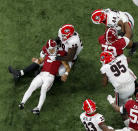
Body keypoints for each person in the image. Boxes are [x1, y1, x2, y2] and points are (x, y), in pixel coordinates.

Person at [8, 24, 83, 81]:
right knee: (43, 55)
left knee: (61, 72)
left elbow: (69, 57)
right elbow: (57, 40)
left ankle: (45, 75)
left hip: (67, 58)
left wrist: (55, 57)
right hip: (61, 51)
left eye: (63, 35)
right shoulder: (69, 35)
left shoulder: (74, 42)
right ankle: (20, 73)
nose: (61, 36)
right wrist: (50, 51)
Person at [19, 40, 70, 115]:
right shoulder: (46, 53)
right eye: (49, 49)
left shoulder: (60, 55)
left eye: (52, 49)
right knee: (32, 86)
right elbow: (40, 61)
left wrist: (66, 74)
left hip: (50, 76)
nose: (51, 51)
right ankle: (22, 103)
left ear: (56, 47)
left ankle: (38, 108)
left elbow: (67, 67)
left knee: (43, 89)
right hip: (42, 74)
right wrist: (36, 60)